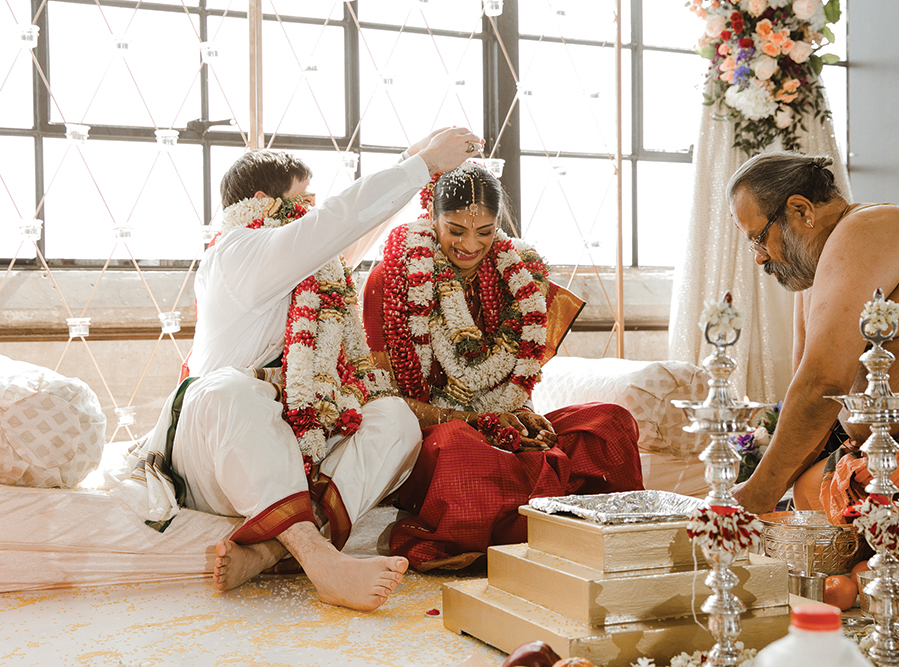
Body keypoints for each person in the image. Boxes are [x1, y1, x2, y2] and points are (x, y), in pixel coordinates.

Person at [112, 128, 482, 610]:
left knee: (394, 417)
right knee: (233, 389)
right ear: (264, 202)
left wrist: (410, 159)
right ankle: (320, 562)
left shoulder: (306, 268)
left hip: (283, 460)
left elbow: (350, 230)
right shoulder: (237, 252)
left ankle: (268, 550)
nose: (313, 208)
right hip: (214, 451)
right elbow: (332, 223)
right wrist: (423, 165)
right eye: (303, 199)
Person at [362, 161, 645, 571]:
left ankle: (590, 529)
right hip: (431, 435)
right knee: (460, 449)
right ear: (431, 216)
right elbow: (384, 398)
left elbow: (518, 378)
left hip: (503, 424)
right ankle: (531, 524)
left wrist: (525, 418)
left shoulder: (519, 276)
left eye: (485, 232)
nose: (470, 246)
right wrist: (476, 422)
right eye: (455, 230)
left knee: (609, 424)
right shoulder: (392, 278)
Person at [726, 151, 899, 559]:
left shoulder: (868, 228)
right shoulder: (816, 271)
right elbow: (808, 391)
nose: (759, 257)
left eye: (758, 238)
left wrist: (760, 490)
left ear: (801, 210)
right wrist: (768, 486)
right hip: (895, 458)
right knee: (804, 499)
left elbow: (823, 382)